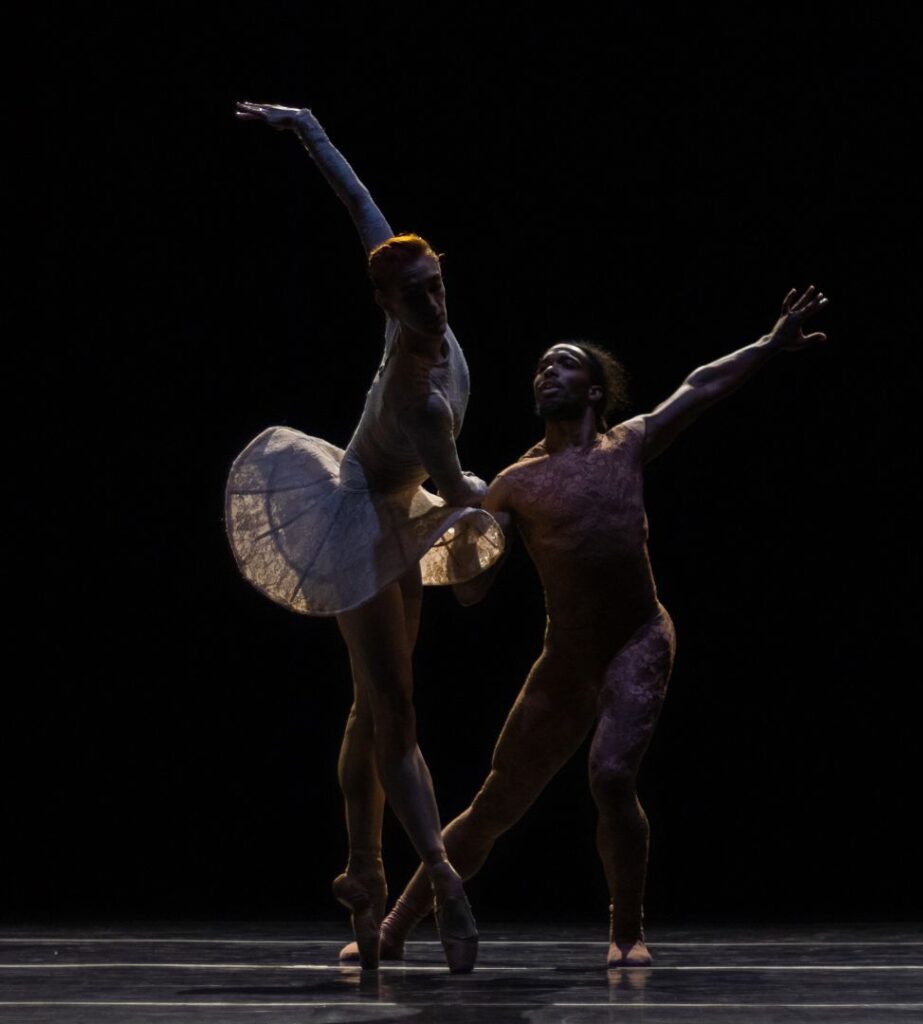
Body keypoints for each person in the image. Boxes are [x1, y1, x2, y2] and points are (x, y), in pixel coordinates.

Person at [344, 285, 828, 968]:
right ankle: (397, 925)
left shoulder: (626, 446)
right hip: (565, 660)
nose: (547, 371)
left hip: (637, 641)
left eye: (564, 364)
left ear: (596, 391)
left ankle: (626, 930)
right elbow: (474, 591)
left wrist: (769, 345)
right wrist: (454, 539)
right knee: (495, 801)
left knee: (609, 776)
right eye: (541, 365)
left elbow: (700, 386)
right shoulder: (514, 483)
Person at [225, 102, 504, 972]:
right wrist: (523, 487)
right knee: (396, 711)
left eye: (437, 283)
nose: (431, 298)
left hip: (401, 518)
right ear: (383, 303)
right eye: (413, 293)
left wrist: (307, 126)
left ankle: (362, 870)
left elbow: (362, 206)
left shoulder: (431, 330)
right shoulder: (417, 395)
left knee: (368, 709)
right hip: (354, 516)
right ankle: (443, 880)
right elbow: (460, 487)